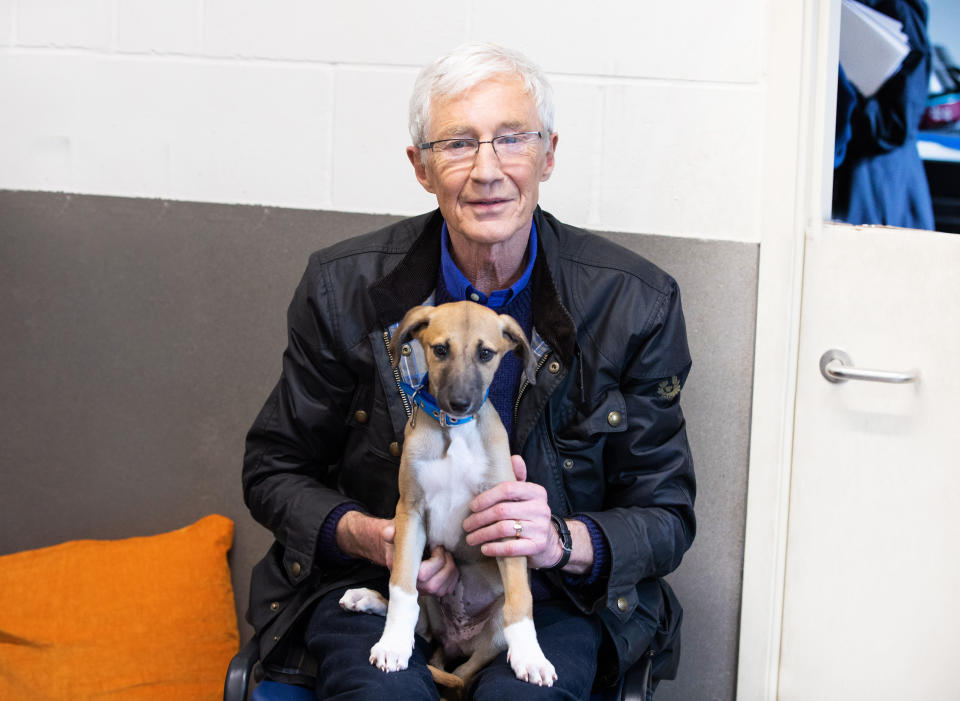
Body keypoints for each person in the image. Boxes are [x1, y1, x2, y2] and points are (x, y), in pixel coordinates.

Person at [242, 42, 695, 700]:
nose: (487, 169)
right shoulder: (343, 288)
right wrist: (370, 536)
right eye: (458, 144)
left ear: (549, 154)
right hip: (386, 584)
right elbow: (273, 468)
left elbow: (668, 515)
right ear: (422, 168)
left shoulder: (634, 304)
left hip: (554, 594)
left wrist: (561, 539)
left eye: (513, 139)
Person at [833, 0, 935, 229]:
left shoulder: (897, 7)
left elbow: (895, 124)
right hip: (850, 179)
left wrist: (842, 98)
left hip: (874, 183)